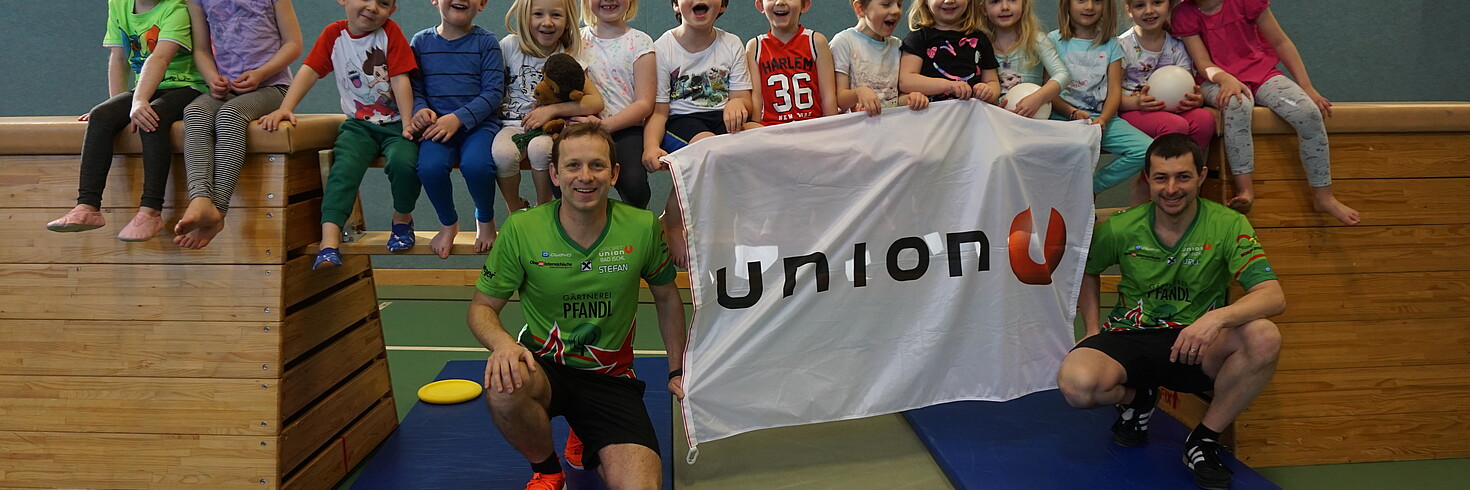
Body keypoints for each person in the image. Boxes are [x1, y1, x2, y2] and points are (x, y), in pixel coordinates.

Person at [1057, 133, 1285, 490]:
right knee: (1077, 386)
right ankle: (1140, 398)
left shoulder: (1228, 224)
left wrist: (1215, 319)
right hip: (1131, 335)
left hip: (1197, 345)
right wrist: (1090, 327)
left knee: (1264, 335)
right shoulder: (1121, 226)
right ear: (1148, 178)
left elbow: (1272, 295)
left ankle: (1204, 440)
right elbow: (1088, 267)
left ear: (1201, 175)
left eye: (1183, 176)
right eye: (1161, 178)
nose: (1171, 188)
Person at [470, 123, 687, 490]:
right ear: (554, 173)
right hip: (544, 368)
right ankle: (548, 471)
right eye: (572, 166)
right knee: (503, 385)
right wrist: (505, 345)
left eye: (596, 166)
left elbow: (667, 296)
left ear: (614, 173)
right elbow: (481, 308)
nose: (584, 177)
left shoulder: (642, 227)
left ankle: (584, 437)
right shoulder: (522, 229)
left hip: (611, 380)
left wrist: (677, 370)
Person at [260, 0, 422, 268]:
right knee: (343, 170)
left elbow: (399, 78)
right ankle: (329, 241)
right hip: (358, 126)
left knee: (405, 164)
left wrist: (407, 123)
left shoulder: (389, 33)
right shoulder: (334, 35)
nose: (372, 8)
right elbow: (310, 71)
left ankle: (402, 220)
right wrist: (285, 108)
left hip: (394, 124)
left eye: (383, 4)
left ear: (391, 11)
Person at [1173, 0, 1360, 225]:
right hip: (1216, 80)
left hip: (1260, 73)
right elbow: (1202, 62)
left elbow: (1280, 42)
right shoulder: (1185, 13)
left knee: (1308, 113)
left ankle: (1323, 195)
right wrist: (1225, 78)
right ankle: (1245, 190)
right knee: (1238, 103)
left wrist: (1306, 86)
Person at [47, 0, 205, 242]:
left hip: (189, 86)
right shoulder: (118, 4)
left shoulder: (176, 8)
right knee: (101, 115)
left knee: (153, 116)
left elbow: (160, 58)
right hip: (149, 86)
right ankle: (87, 207)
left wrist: (140, 101)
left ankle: (151, 210)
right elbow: (119, 58)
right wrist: (118, 108)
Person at [174, 0, 302, 250]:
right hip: (228, 88)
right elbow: (201, 49)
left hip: (273, 86)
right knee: (195, 112)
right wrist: (212, 78)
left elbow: (293, 45)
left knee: (230, 116)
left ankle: (217, 209)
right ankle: (200, 197)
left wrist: (261, 73)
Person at [643, 0, 754, 269]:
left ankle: (753, 222)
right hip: (680, 121)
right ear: (676, 6)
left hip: (720, 118)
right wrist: (650, 145)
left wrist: (738, 104)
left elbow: (743, 98)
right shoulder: (664, 47)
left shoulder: (731, 43)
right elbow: (658, 111)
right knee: (708, 148)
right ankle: (672, 219)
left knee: (765, 138)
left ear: (723, 7)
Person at [407, 0, 507, 259]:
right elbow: (414, 88)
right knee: (429, 168)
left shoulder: (486, 42)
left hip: (479, 125)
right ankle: (448, 222)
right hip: (437, 127)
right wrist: (419, 109)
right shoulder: (420, 42)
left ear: (482, 4)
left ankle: (485, 219)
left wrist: (458, 119)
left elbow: (494, 92)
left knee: (478, 166)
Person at [492, 0, 605, 207]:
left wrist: (552, 110)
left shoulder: (566, 58)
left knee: (542, 149)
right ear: (525, 16)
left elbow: (595, 101)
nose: (547, 22)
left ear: (568, 19)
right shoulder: (509, 46)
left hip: (545, 130)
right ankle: (514, 207)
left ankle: (543, 207)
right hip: (511, 125)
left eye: (556, 15)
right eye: (538, 14)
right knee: (502, 154)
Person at [1049, 0, 1155, 202]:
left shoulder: (1112, 44)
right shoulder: (1054, 40)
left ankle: (1090, 187)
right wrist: (1071, 112)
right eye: (1081, 0)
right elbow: (1049, 90)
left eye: (1097, 1)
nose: (1089, 7)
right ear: (1067, 5)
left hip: (1102, 120)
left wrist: (1104, 119)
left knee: (1146, 150)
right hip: (1062, 119)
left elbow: (1115, 89)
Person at [572, 0, 656, 209]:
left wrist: (604, 126)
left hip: (625, 129)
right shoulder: (576, 40)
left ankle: (632, 229)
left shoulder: (640, 42)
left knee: (634, 184)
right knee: (565, 180)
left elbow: (645, 103)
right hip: (580, 128)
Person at [1115, 0, 1211, 151]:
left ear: (1170, 6)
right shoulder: (1122, 46)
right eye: (1140, 5)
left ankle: (1185, 171)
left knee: (1204, 120)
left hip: (1173, 108)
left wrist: (1196, 100)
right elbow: (1109, 96)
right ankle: (1155, 174)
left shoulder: (1177, 45)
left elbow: (1186, 84)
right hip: (1133, 110)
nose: (1149, 10)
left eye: (1157, 2)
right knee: (1174, 125)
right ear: (1129, 10)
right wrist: (1137, 103)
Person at [746, 0, 839, 125]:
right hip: (771, 129)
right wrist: (755, 126)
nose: (780, 2)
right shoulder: (755, 46)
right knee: (747, 128)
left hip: (812, 126)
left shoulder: (816, 41)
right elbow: (756, 98)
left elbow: (828, 96)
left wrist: (831, 127)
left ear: (805, 5)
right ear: (760, 5)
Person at [829, 0, 928, 115]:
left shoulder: (897, 46)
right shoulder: (844, 42)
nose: (896, 10)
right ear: (860, 8)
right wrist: (858, 93)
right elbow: (840, 100)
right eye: (886, 4)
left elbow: (893, 100)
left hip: (888, 127)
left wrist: (911, 98)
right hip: (856, 128)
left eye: (899, 4)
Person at [898, 0, 1002, 104]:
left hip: (971, 115)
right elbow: (906, 81)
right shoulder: (919, 37)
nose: (949, 1)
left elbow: (992, 82)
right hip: (932, 114)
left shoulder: (980, 39)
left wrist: (987, 91)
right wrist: (948, 86)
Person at [980, 0, 1070, 118]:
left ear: (1024, 5)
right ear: (983, 9)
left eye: (1012, 0)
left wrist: (1037, 98)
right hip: (993, 121)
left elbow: (1062, 75)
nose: (1005, 7)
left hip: (1033, 120)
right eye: (995, 1)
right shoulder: (977, 44)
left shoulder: (1037, 40)